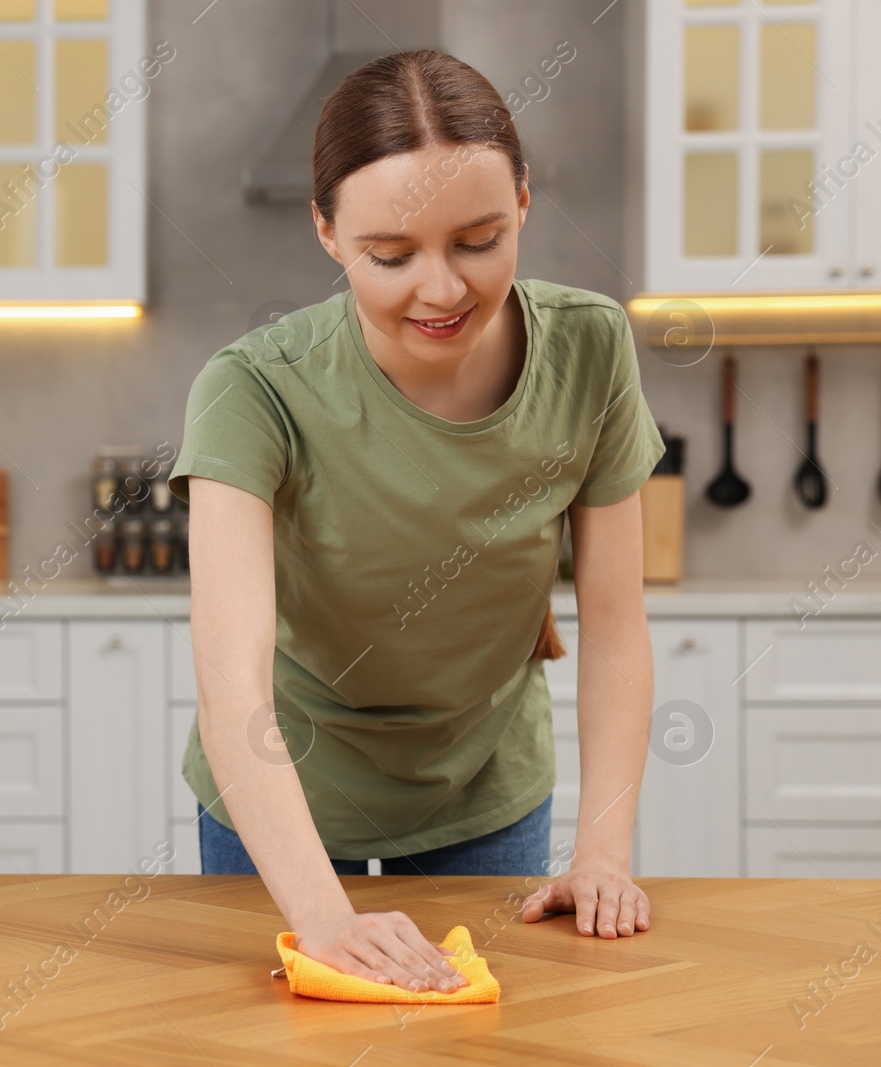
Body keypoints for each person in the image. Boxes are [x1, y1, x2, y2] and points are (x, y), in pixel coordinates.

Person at [166, 49, 663, 996]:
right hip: (286, 804)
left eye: (478, 240)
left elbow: (615, 626)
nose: (440, 290)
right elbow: (233, 682)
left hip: (486, 788)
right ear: (326, 232)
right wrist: (320, 916)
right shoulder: (253, 387)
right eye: (390, 257)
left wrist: (602, 853)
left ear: (523, 199)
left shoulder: (592, 346)